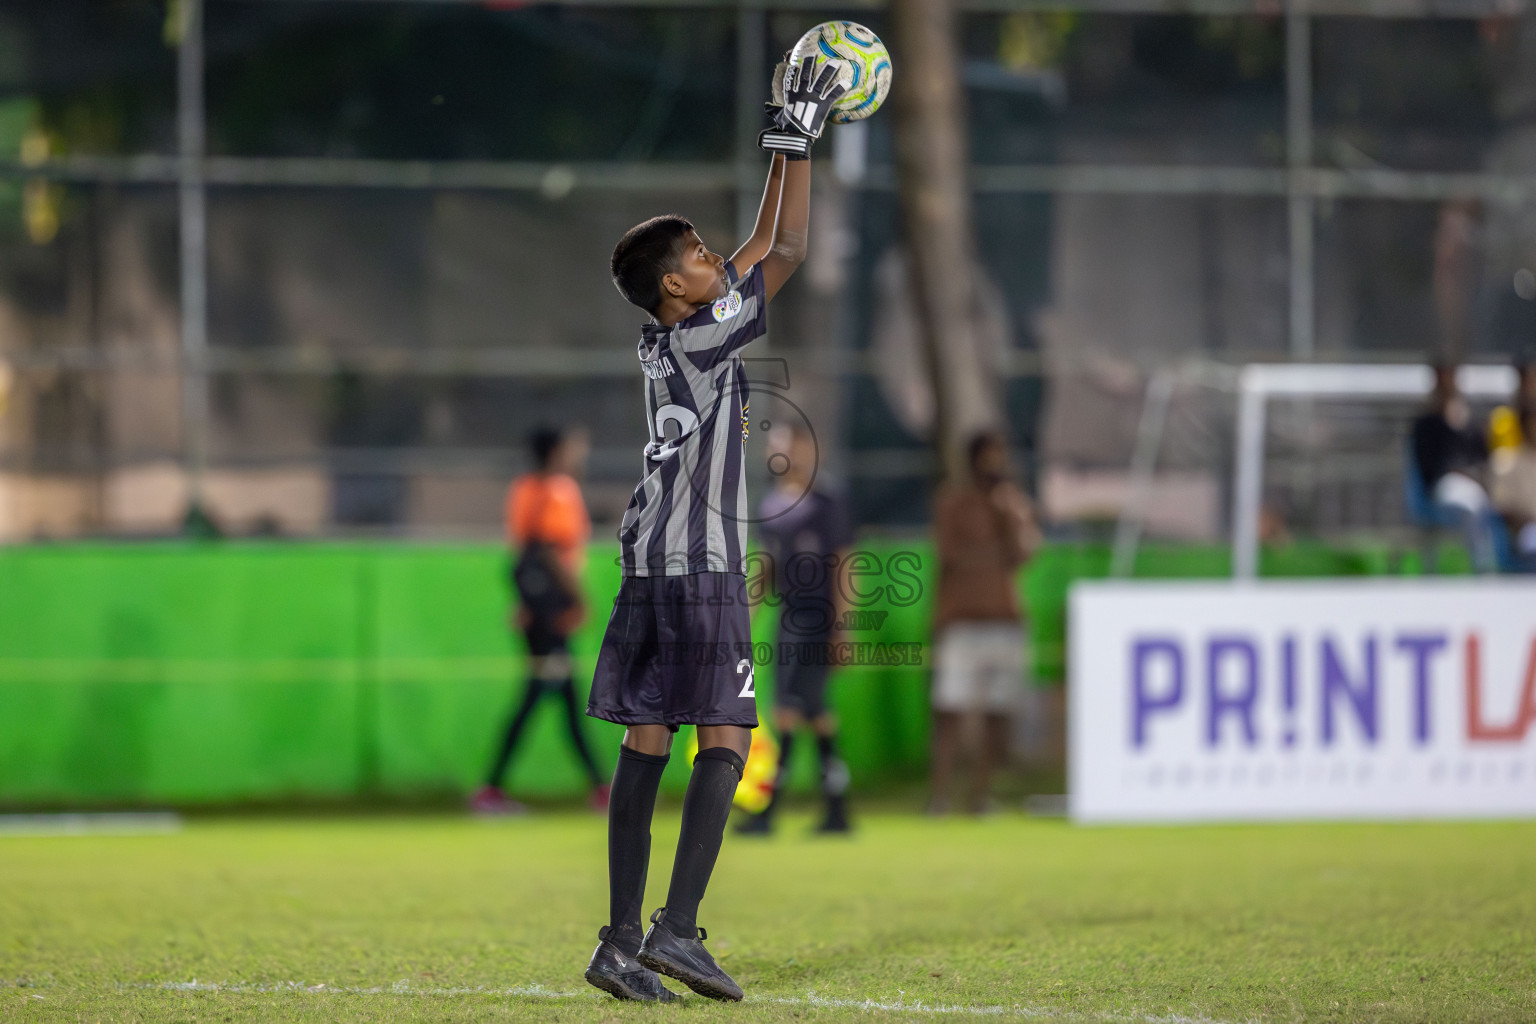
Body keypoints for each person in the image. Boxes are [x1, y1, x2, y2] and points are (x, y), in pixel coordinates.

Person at [580, 58, 845, 1004]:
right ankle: (678, 930)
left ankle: (618, 943)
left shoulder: (670, 332)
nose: (713, 255)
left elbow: (765, 239)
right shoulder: (702, 333)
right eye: (696, 252)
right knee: (727, 736)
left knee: (648, 743)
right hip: (699, 564)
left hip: (649, 557)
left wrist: (783, 126)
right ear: (676, 289)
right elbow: (792, 248)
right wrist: (802, 141)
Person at [470, 426, 607, 815]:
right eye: (572, 448)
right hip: (551, 612)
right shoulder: (559, 491)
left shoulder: (523, 489)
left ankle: (597, 786)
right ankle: (491, 789)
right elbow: (548, 550)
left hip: (536, 609)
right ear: (556, 453)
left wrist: (525, 602)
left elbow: (520, 551)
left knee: (557, 696)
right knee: (543, 696)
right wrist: (579, 599)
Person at [736, 423, 855, 836]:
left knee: (792, 710)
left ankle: (770, 812)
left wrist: (843, 627)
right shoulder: (771, 506)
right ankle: (837, 810)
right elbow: (767, 567)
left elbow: (843, 564)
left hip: (818, 619)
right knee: (815, 713)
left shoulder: (827, 502)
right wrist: (745, 620)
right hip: (788, 618)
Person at [929, 431, 1042, 816]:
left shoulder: (1011, 502)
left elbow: (1023, 553)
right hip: (962, 621)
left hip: (1004, 621)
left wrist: (1005, 514)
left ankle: (980, 795)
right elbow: (951, 556)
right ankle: (940, 797)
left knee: (998, 713)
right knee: (951, 712)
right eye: (989, 457)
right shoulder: (955, 502)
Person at [1410, 364, 1500, 572]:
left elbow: (1482, 456)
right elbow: (1428, 466)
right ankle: (1482, 566)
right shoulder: (1426, 424)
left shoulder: (1466, 421)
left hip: (1474, 483)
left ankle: (1492, 564)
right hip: (1443, 486)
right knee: (1470, 504)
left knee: (1484, 502)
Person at [1491, 403, 1536, 572]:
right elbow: (1502, 510)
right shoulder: (1505, 462)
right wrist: (1526, 520)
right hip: (1522, 536)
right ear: (1524, 426)